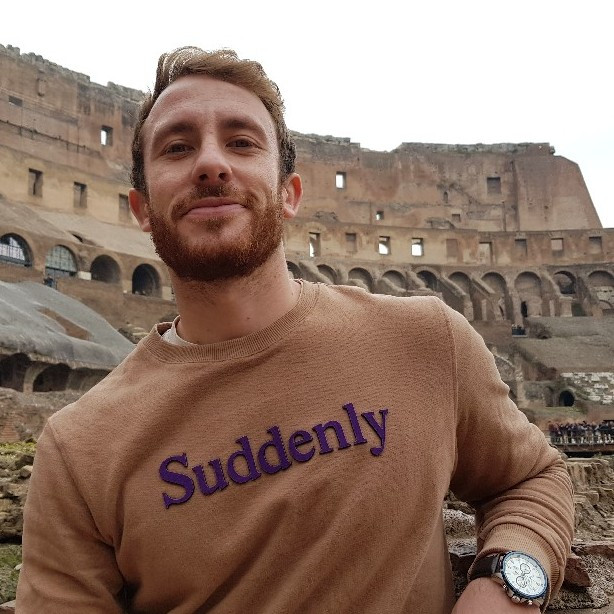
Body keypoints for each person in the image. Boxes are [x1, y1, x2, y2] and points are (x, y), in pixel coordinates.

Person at [16, 47, 574, 613]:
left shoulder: (426, 340)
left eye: (241, 142)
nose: (211, 164)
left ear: (289, 193)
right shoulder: (79, 448)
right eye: (177, 147)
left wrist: (504, 588)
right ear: (139, 208)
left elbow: (531, 479)